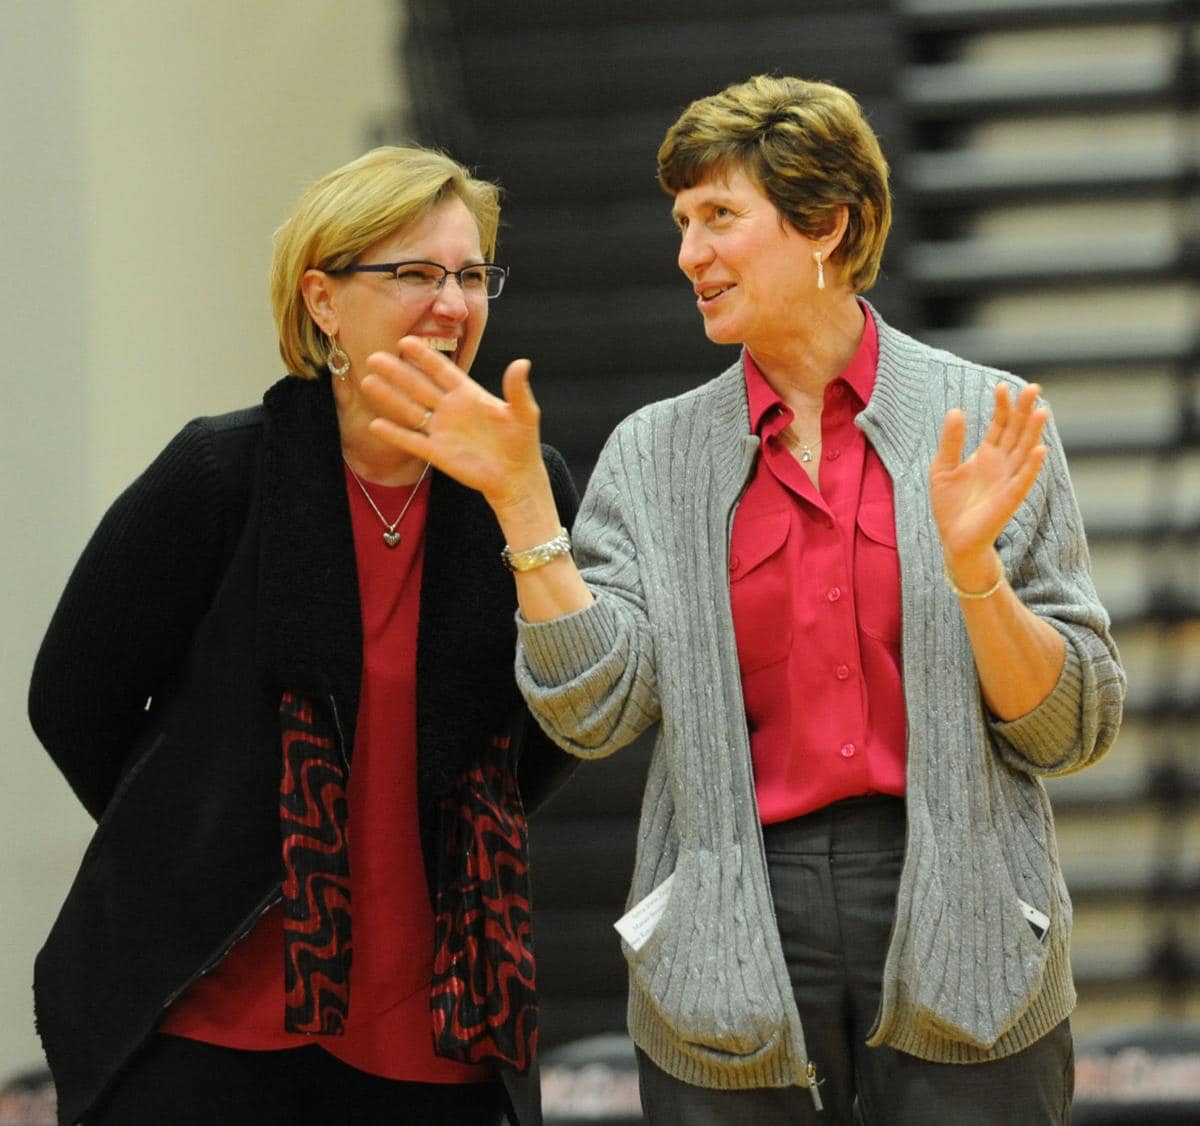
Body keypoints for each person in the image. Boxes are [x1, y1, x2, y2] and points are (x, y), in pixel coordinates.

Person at [357, 76, 1127, 1125]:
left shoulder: (987, 419)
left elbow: (1072, 725)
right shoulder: (652, 453)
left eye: (719, 217)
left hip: (972, 920)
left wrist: (975, 570)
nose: (688, 255)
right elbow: (594, 709)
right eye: (681, 223)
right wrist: (522, 501)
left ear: (826, 225)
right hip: (730, 926)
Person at [28, 145, 578, 1126]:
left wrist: (523, 501)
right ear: (324, 301)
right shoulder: (220, 474)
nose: (452, 303)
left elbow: (556, 721)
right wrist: (199, 827)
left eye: (469, 274)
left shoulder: (521, 489)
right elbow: (73, 695)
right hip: (206, 1021)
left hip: (436, 1032)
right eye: (414, 273)